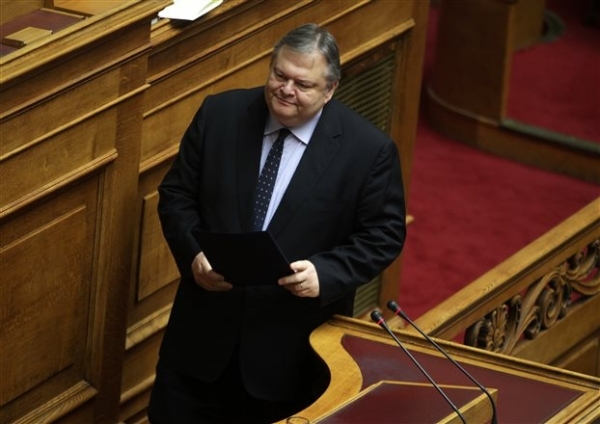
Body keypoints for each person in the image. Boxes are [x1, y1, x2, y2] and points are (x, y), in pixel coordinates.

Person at [148, 23, 407, 424]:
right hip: (200, 346)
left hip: (290, 359)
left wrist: (326, 273)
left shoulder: (368, 151)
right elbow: (177, 194)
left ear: (330, 90)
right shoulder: (219, 114)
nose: (286, 90)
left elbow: (384, 234)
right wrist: (194, 253)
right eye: (279, 75)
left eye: (302, 84)